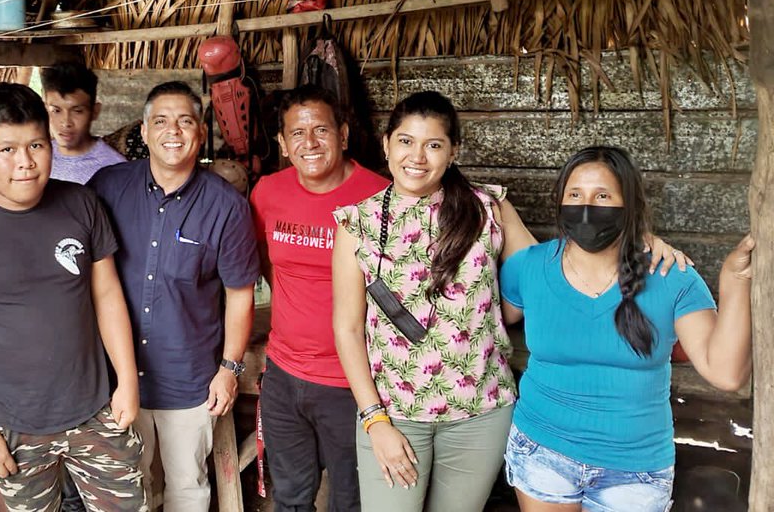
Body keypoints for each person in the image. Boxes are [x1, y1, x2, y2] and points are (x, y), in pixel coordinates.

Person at [331, 91, 688, 512]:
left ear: (454, 151)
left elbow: (555, 269)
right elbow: (347, 328)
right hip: (395, 412)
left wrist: (635, 236)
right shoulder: (357, 223)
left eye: (434, 144)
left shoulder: (488, 208)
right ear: (386, 144)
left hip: (482, 413)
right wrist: (375, 420)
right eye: (406, 141)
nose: (418, 157)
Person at [0, 82, 148, 511]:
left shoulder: (81, 205)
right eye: (7, 149)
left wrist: (127, 382)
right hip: (10, 425)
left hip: (97, 409)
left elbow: (107, 294)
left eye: (36, 145)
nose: (25, 162)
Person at [499, 146, 754, 512]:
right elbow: (488, 318)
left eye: (602, 196)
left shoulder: (671, 277)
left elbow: (726, 373)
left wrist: (735, 280)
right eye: (575, 195)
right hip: (542, 451)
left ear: (629, 205)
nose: (586, 206)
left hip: (634, 470)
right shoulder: (528, 267)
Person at [89, 81, 259, 511]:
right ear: (144, 132)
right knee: (129, 488)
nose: (173, 131)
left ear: (200, 132)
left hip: (188, 377)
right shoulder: (107, 188)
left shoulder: (226, 206)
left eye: (185, 121)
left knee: (187, 486)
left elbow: (240, 296)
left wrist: (229, 369)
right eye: (161, 121)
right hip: (115, 377)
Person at [249, 85, 389, 512]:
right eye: (297, 133)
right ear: (282, 143)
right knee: (290, 496)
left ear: (343, 135)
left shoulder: (381, 196)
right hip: (282, 374)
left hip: (352, 381)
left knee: (351, 499)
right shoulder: (267, 192)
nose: (309, 142)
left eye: (321, 130)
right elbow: (266, 262)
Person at [43, 61, 125, 184]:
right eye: (56, 111)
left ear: (95, 111)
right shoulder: (37, 158)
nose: (66, 123)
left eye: (77, 111)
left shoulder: (115, 169)